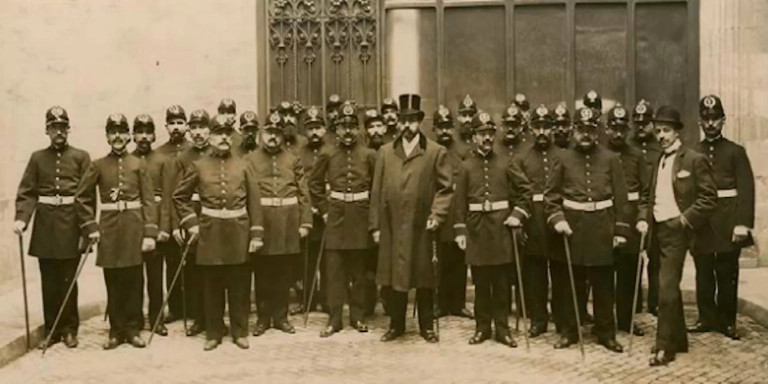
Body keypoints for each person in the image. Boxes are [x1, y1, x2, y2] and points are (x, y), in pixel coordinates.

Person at [173, 114, 264, 351]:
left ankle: (240, 332)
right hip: (210, 234)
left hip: (238, 233)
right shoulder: (199, 165)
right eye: (218, 133)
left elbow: (254, 201)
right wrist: (191, 223)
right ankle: (213, 333)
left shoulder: (244, 164)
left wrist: (256, 234)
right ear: (211, 137)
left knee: (239, 286)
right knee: (211, 287)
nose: (223, 137)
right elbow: (180, 197)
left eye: (227, 133)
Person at [370, 93, 453, 343]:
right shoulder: (385, 152)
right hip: (392, 224)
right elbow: (376, 191)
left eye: (412, 120)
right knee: (395, 275)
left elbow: (446, 188)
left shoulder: (435, 152)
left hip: (421, 224)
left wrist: (436, 215)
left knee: (424, 275)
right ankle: (396, 325)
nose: (406, 125)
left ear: (419, 121)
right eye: (402, 120)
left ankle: (427, 326)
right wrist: (375, 226)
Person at [545, 107, 629, 353]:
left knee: (603, 285)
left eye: (590, 130)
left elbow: (621, 199)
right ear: (573, 130)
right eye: (581, 130)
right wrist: (558, 219)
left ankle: (606, 333)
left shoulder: (611, 158)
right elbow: (551, 197)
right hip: (572, 228)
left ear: (597, 131)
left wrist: (620, 231)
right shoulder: (562, 158)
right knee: (572, 285)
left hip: (602, 227)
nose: (585, 134)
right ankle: (569, 332)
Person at [75, 113, 157, 350]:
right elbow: (82, 197)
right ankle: (116, 330)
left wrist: (150, 233)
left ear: (128, 135)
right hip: (109, 230)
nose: (118, 136)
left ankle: (133, 330)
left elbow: (149, 201)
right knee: (113, 281)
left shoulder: (138, 164)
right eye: (113, 132)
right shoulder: (98, 165)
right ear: (108, 136)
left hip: (134, 228)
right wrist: (91, 227)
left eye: (122, 131)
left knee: (134, 280)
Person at [644, 105, 717, 366]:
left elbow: (709, 199)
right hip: (658, 229)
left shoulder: (694, 159)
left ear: (677, 133)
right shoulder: (658, 160)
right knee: (667, 286)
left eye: (666, 131)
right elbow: (650, 196)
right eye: (658, 131)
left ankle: (665, 347)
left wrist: (684, 220)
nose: (661, 135)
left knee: (665, 289)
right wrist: (645, 220)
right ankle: (679, 339)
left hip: (678, 230)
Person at [14, 106, 91, 349]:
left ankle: (69, 329)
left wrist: (86, 230)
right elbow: (27, 192)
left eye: (62, 127)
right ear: (47, 130)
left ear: (68, 130)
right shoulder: (38, 158)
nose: (59, 132)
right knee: (48, 281)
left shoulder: (81, 157)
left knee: (69, 280)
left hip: (71, 225)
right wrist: (22, 219)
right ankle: (52, 330)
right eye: (54, 128)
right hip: (46, 227)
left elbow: (87, 196)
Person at [453, 111, 532, 347]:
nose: (486, 138)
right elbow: (459, 203)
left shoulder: (506, 162)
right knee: (480, 283)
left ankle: (502, 329)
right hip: (477, 232)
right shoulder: (466, 167)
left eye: (490, 133)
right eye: (482, 134)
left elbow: (525, 191)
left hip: (501, 232)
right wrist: (460, 231)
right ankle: (482, 328)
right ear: (474, 137)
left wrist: (517, 215)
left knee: (501, 283)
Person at [688, 95, 755, 341]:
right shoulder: (693, 151)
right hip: (703, 221)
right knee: (703, 271)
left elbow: (746, 190)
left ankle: (727, 321)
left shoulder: (736, 152)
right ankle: (706, 317)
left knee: (727, 272)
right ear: (700, 122)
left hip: (728, 220)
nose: (710, 123)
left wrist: (743, 224)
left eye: (715, 118)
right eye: (706, 119)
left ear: (723, 120)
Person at [309, 101, 377, 337]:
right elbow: (314, 184)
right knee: (334, 271)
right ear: (336, 129)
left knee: (359, 271)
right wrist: (325, 210)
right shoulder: (327, 153)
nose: (347, 131)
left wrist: (372, 218)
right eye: (342, 126)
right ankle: (335, 318)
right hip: (335, 217)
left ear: (358, 129)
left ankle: (358, 317)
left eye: (351, 126)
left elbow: (377, 187)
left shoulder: (369, 155)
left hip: (360, 216)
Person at [248, 111, 312, 336]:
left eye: (277, 132)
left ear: (282, 134)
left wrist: (305, 222)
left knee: (284, 272)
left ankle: (282, 317)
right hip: (262, 220)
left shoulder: (292, 158)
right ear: (262, 134)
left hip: (287, 221)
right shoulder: (251, 159)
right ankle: (263, 318)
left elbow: (303, 191)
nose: (273, 137)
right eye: (269, 132)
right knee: (263, 272)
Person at [514, 104, 566, 338]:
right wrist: (520, 223)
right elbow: (516, 193)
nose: (542, 131)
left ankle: (563, 319)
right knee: (534, 274)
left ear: (553, 128)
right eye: (537, 127)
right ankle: (538, 319)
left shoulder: (564, 156)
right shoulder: (522, 157)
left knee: (560, 272)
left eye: (546, 126)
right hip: (533, 221)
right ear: (531, 129)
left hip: (557, 220)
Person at [163, 109, 212, 337]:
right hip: (190, 215)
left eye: (203, 127)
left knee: (213, 266)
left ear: (209, 130)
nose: (199, 132)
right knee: (193, 269)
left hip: (213, 216)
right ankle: (198, 318)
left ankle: (214, 315)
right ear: (189, 132)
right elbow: (173, 193)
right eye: (194, 128)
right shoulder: (181, 159)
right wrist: (176, 224)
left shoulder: (217, 153)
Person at [604, 104, 648, 337]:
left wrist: (642, 218)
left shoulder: (637, 156)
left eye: (622, 129)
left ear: (628, 129)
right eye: (614, 129)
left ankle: (625, 319)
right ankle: (605, 320)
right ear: (607, 129)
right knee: (603, 272)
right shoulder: (599, 153)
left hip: (630, 222)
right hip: (605, 220)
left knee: (629, 273)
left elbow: (645, 193)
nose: (618, 134)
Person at [432, 105, 473, 319]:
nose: (445, 131)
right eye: (440, 127)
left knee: (459, 259)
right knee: (437, 259)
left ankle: (458, 303)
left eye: (448, 126)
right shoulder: (430, 151)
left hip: (458, 211)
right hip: (438, 211)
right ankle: (439, 303)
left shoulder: (464, 152)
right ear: (434, 129)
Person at [131, 114, 169, 336]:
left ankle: (157, 319)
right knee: (135, 276)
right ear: (133, 135)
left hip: (155, 222)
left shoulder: (163, 160)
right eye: (139, 132)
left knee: (156, 277)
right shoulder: (127, 160)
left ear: (154, 135)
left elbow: (167, 196)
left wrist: (163, 227)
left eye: (148, 132)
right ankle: (135, 319)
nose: (144, 136)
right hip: (135, 224)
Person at [156, 105, 192, 326]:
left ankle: (195, 306)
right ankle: (176, 307)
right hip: (171, 215)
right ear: (166, 127)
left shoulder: (194, 150)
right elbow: (166, 192)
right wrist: (170, 224)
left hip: (192, 213)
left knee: (195, 264)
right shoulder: (160, 154)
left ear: (186, 125)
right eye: (172, 123)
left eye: (180, 123)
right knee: (173, 264)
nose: (176, 127)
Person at [296, 106, 333, 315]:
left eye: (318, 127)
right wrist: (308, 206)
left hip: (328, 211)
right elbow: (299, 183)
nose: (315, 132)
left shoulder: (332, 150)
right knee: (308, 260)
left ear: (325, 129)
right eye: (310, 128)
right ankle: (307, 300)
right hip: (309, 212)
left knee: (328, 258)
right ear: (305, 131)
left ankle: (328, 300)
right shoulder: (299, 153)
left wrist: (325, 205)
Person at [628, 100, 662, 316]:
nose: (641, 127)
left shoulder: (660, 147)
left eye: (646, 123)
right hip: (633, 210)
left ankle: (655, 302)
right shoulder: (627, 146)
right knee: (632, 258)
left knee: (656, 257)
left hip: (656, 208)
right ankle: (634, 303)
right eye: (637, 123)